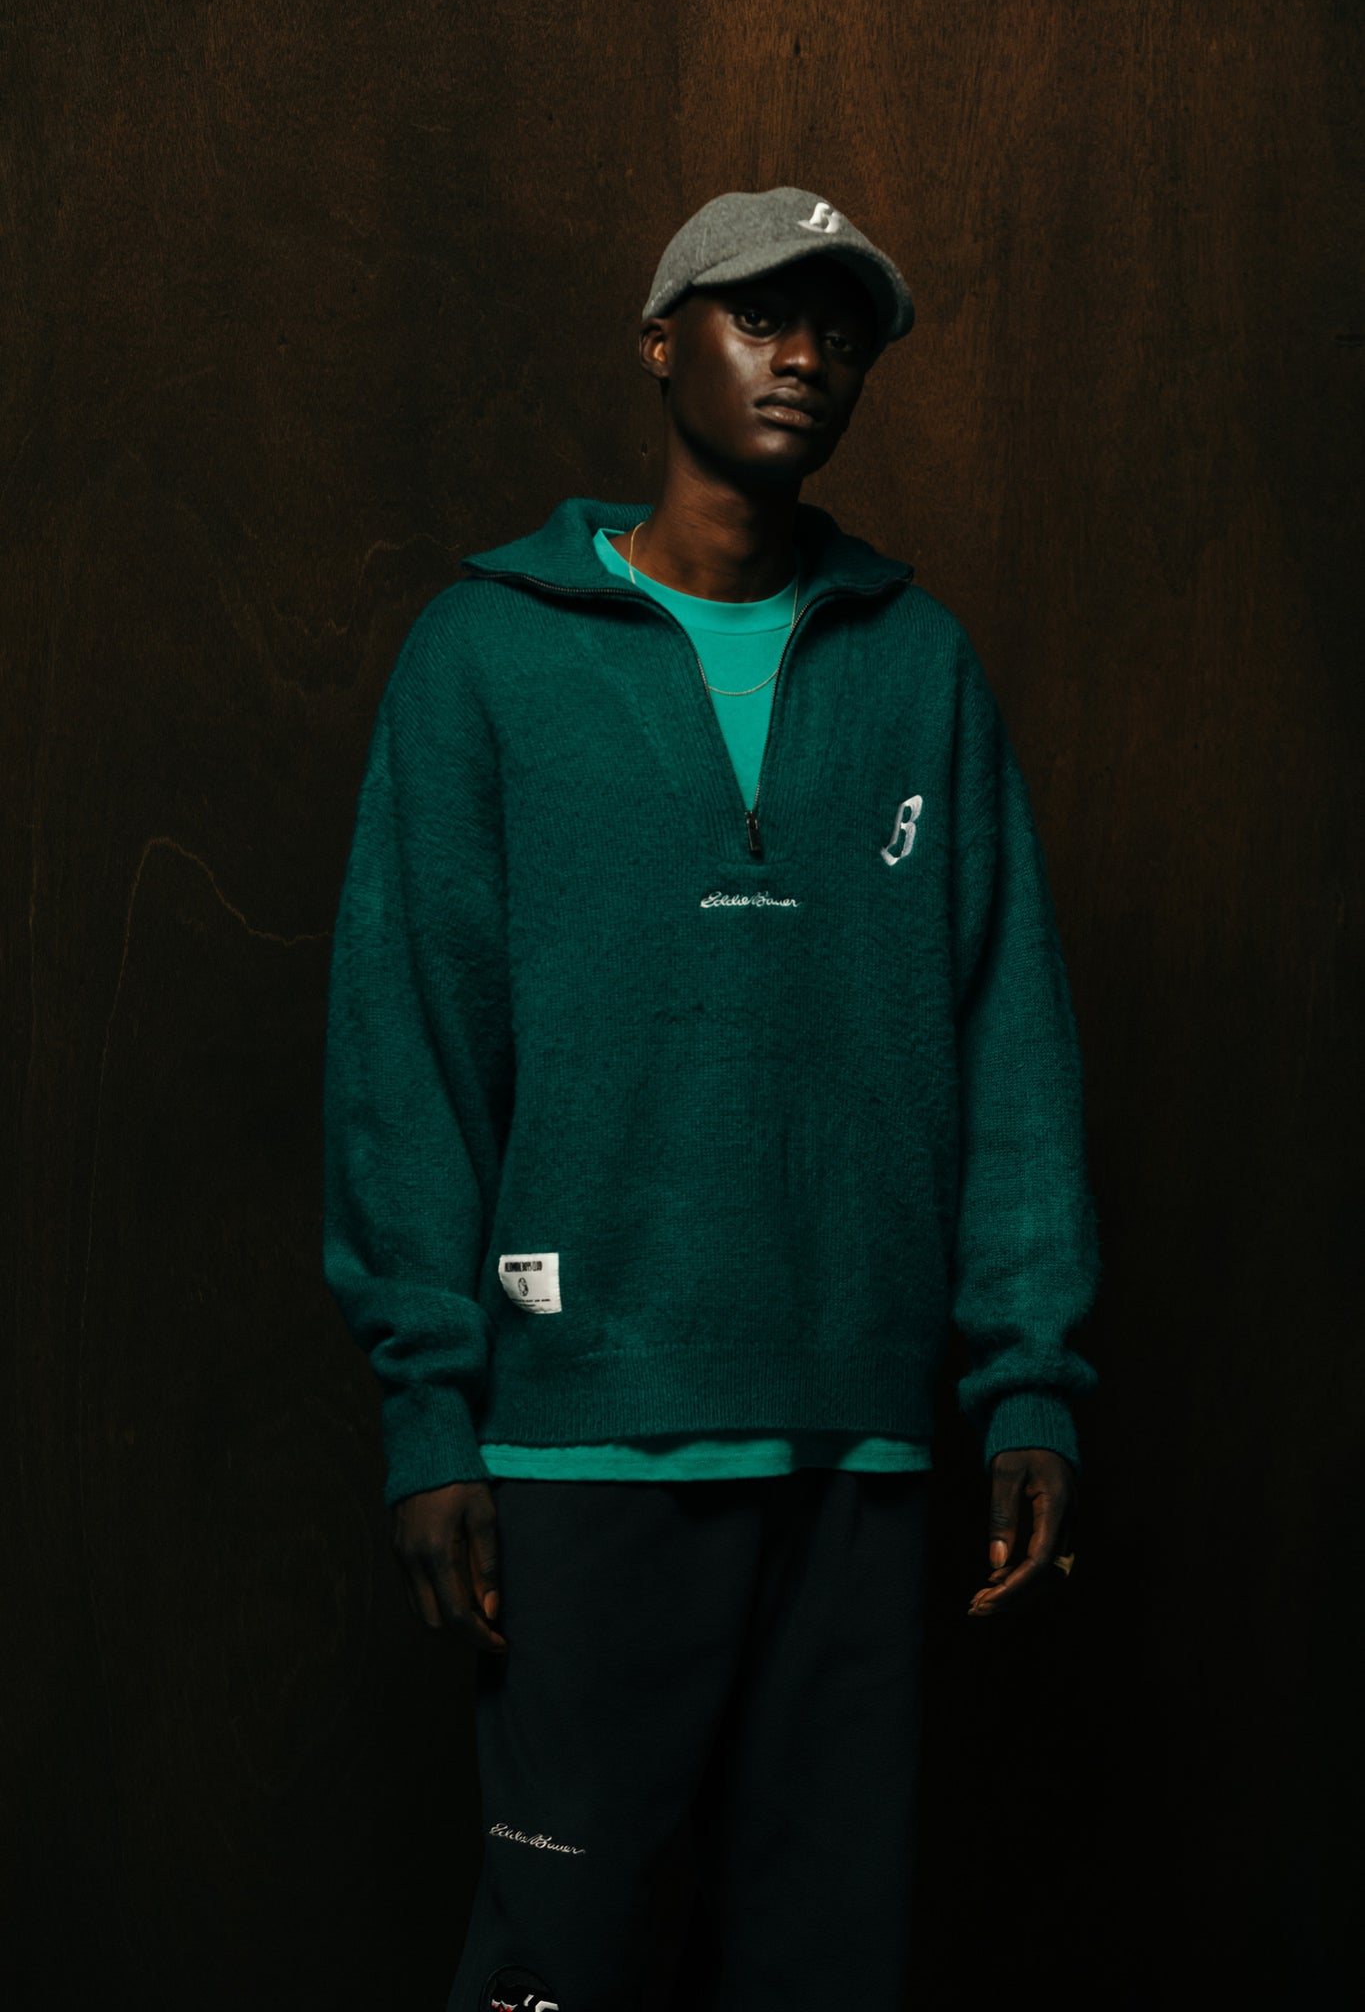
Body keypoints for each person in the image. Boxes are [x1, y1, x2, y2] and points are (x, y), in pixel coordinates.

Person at [323, 185, 1100, 2012]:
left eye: (838, 327)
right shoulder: (487, 656)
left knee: (823, 1962)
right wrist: (429, 1414)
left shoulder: (916, 664)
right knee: (558, 1958)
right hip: (580, 1442)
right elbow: (407, 1048)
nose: (803, 354)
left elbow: (1007, 1038)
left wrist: (1029, 1380)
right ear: (660, 342)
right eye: (759, 315)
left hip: (856, 1444)